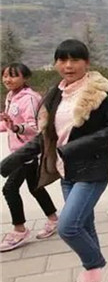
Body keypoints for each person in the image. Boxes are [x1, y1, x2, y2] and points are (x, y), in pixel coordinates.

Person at [0, 40, 108, 282]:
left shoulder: (103, 92)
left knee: (68, 227)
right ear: (56, 63)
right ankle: (94, 272)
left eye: (75, 59)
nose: (68, 65)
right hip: (66, 171)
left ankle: (98, 265)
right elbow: (45, 137)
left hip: (92, 169)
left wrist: (73, 148)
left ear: (86, 62)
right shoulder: (55, 93)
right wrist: (11, 161)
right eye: (62, 60)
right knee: (84, 224)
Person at [0, 63, 59, 252]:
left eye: (13, 76)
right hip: (19, 151)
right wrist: (8, 124)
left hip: (28, 152)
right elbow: (10, 124)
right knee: (35, 187)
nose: (7, 79)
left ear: (25, 78)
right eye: (5, 76)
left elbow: (37, 128)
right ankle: (53, 219)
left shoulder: (30, 99)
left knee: (9, 189)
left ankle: (19, 230)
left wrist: (17, 128)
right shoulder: (11, 96)